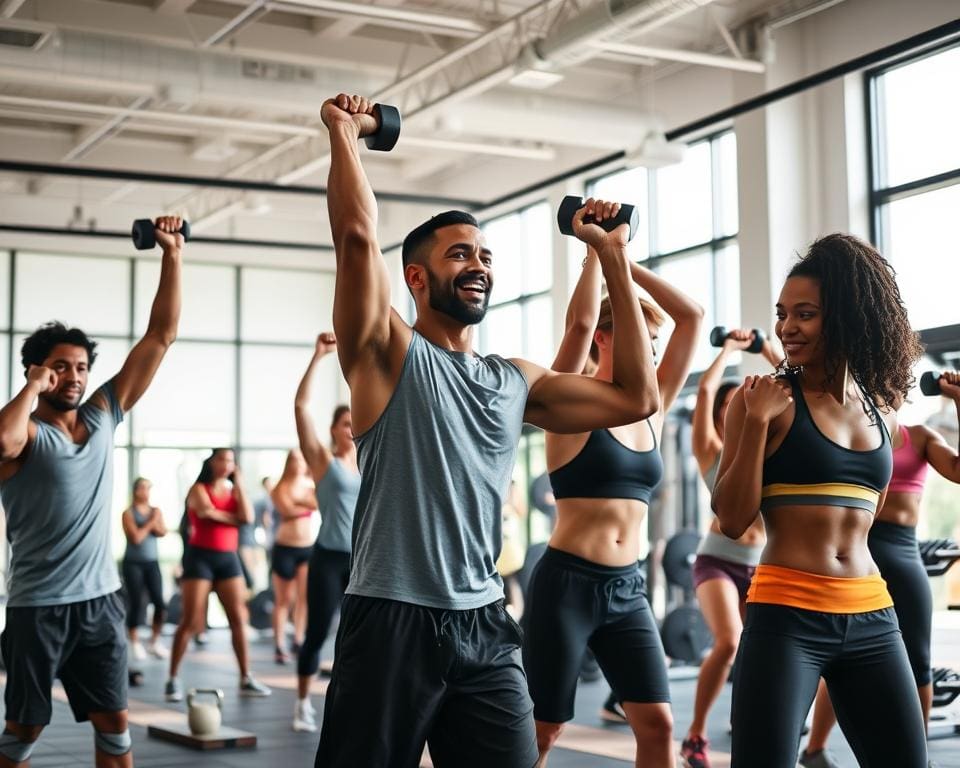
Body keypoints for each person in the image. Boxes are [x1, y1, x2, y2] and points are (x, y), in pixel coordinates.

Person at [315, 93, 660, 768]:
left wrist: (612, 255)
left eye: (486, 255)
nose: (478, 264)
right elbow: (356, 238)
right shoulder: (386, 354)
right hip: (390, 619)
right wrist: (344, 135)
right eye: (458, 255)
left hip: (484, 623)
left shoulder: (514, 381)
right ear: (416, 278)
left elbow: (636, 395)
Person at [712, 233, 927, 768]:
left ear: (847, 318)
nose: (787, 328)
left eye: (804, 314)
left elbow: (867, 514)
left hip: (872, 613)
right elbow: (733, 520)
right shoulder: (762, 401)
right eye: (783, 314)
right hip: (787, 617)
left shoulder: (883, 412)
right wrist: (757, 425)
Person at [0, 215, 182, 768]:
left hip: (100, 603)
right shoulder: (27, 431)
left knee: (115, 729)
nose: (74, 376)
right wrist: (32, 386)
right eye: (61, 367)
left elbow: (160, 337)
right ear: (39, 370)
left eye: (80, 366)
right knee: (25, 731)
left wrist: (172, 254)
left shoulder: (104, 413)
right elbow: (3, 442)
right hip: (38, 607)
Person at [524, 240, 703, 767]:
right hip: (568, 587)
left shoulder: (653, 407)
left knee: (657, 723)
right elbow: (576, 329)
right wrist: (592, 261)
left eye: (652, 344)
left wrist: (619, 260)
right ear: (606, 338)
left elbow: (690, 316)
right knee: (545, 728)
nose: (650, 354)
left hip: (629, 587)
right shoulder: (566, 401)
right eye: (641, 340)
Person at [799, 369, 960, 768]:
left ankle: (914, 753)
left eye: (893, 386)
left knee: (917, 661)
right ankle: (815, 749)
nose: (886, 392)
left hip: (904, 557)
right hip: (857, 554)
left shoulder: (920, 436)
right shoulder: (855, 432)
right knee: (840, 658)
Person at [680, 329, 781, 768]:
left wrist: (766, 349)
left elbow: (790, 382)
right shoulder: (711, 450)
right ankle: (695, 736)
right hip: (717, 561)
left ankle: (751, 726)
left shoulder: (767, 449)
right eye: (725, 406)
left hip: (759, 567)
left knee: (759, 655)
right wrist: (731, 350)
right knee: (728, 643)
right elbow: (704, 389)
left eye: (735, 403)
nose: (730, 410)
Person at [292, 333, 360, 734]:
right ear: (334, 430)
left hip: (364, 562)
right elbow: (301, 407)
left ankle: (350, 706)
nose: (351, 429)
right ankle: (302, 702)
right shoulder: (323, 463)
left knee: (357, 641)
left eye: (355, 422)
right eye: (345, 423)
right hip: (328, 559)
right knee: (318, 631)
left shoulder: (372, 461)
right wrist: (318, 357)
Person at [165, 448, 271, 702]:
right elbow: (205, 513)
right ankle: (172, 678)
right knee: (189, 621)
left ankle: (246, 677)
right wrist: (233, 518)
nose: (227, 464)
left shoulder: (235, 491)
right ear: (211, 462)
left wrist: (241, 485)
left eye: (231, 460)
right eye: (222, 459)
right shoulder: (198, 489)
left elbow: (247, 517)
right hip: (199, 558)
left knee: (238, 619)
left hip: (227, 558)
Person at [270, 449, 317, 664]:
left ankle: (298, 639)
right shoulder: (280, 486)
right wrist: (305, 505)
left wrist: (301, 504)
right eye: (295, 459)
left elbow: (318, 505)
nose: (298, 463)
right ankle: (279, 644)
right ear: (289, 462)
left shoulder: (311, 484)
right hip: (285, 548)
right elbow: (287, 511)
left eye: (301, 459)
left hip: (307, 548)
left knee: (304, 598)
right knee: (283, 600)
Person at [121, 477, 169, 662]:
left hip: (152, 562)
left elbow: (163, 531)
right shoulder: (128, 513)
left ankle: (154, 641)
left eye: (148, 488)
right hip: (133, 563)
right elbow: (136, 538)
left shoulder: (155, 511)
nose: (145, 492)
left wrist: (153, 521)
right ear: (135, 491)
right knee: (136, 602)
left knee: (159, 603)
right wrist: (152, 522)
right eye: (142, 488)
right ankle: (134, 642)